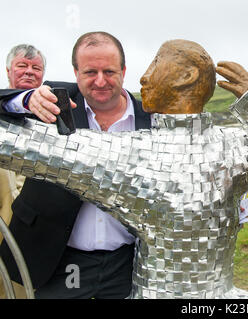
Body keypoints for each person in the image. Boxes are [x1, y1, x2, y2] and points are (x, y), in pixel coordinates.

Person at [0, 39, 248, 298]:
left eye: (154, 64)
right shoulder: (235, 147)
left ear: (187, 76)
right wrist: (23, 100)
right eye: (89, 71)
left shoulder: (133, 152)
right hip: (67, 266)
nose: (143, 78)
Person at [0, 32, 152, 299]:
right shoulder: (53, 100)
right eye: (90, 72)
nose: (101, 81)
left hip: (125, 263)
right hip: (55, 259)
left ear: (124, 70)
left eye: (109, 71)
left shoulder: (150, 119)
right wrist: (25, 100)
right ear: (75, 71)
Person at [0, 44, 46, 299]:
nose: (29, 72)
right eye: (22, 66)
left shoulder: (50, 111)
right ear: (8, 70)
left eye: (36, 68)